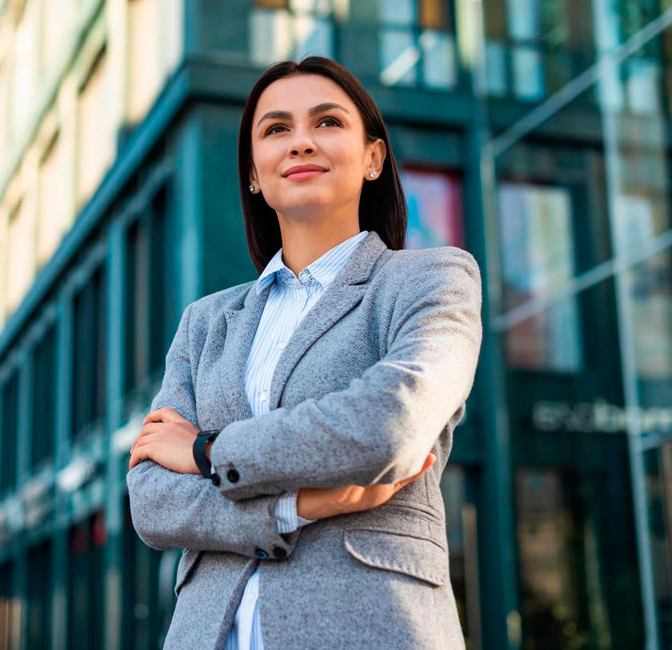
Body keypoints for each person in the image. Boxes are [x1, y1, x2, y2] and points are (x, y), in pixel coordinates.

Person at [126, 55, 481, 650]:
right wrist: (300, 505)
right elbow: (153, 502)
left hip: (372, 628)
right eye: (276, 129)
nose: (301, 143)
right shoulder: (206, 322)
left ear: (373, 157)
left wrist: (206, 450)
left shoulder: (431, 279)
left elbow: (387, 426)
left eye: (327, 122)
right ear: (253, 175)